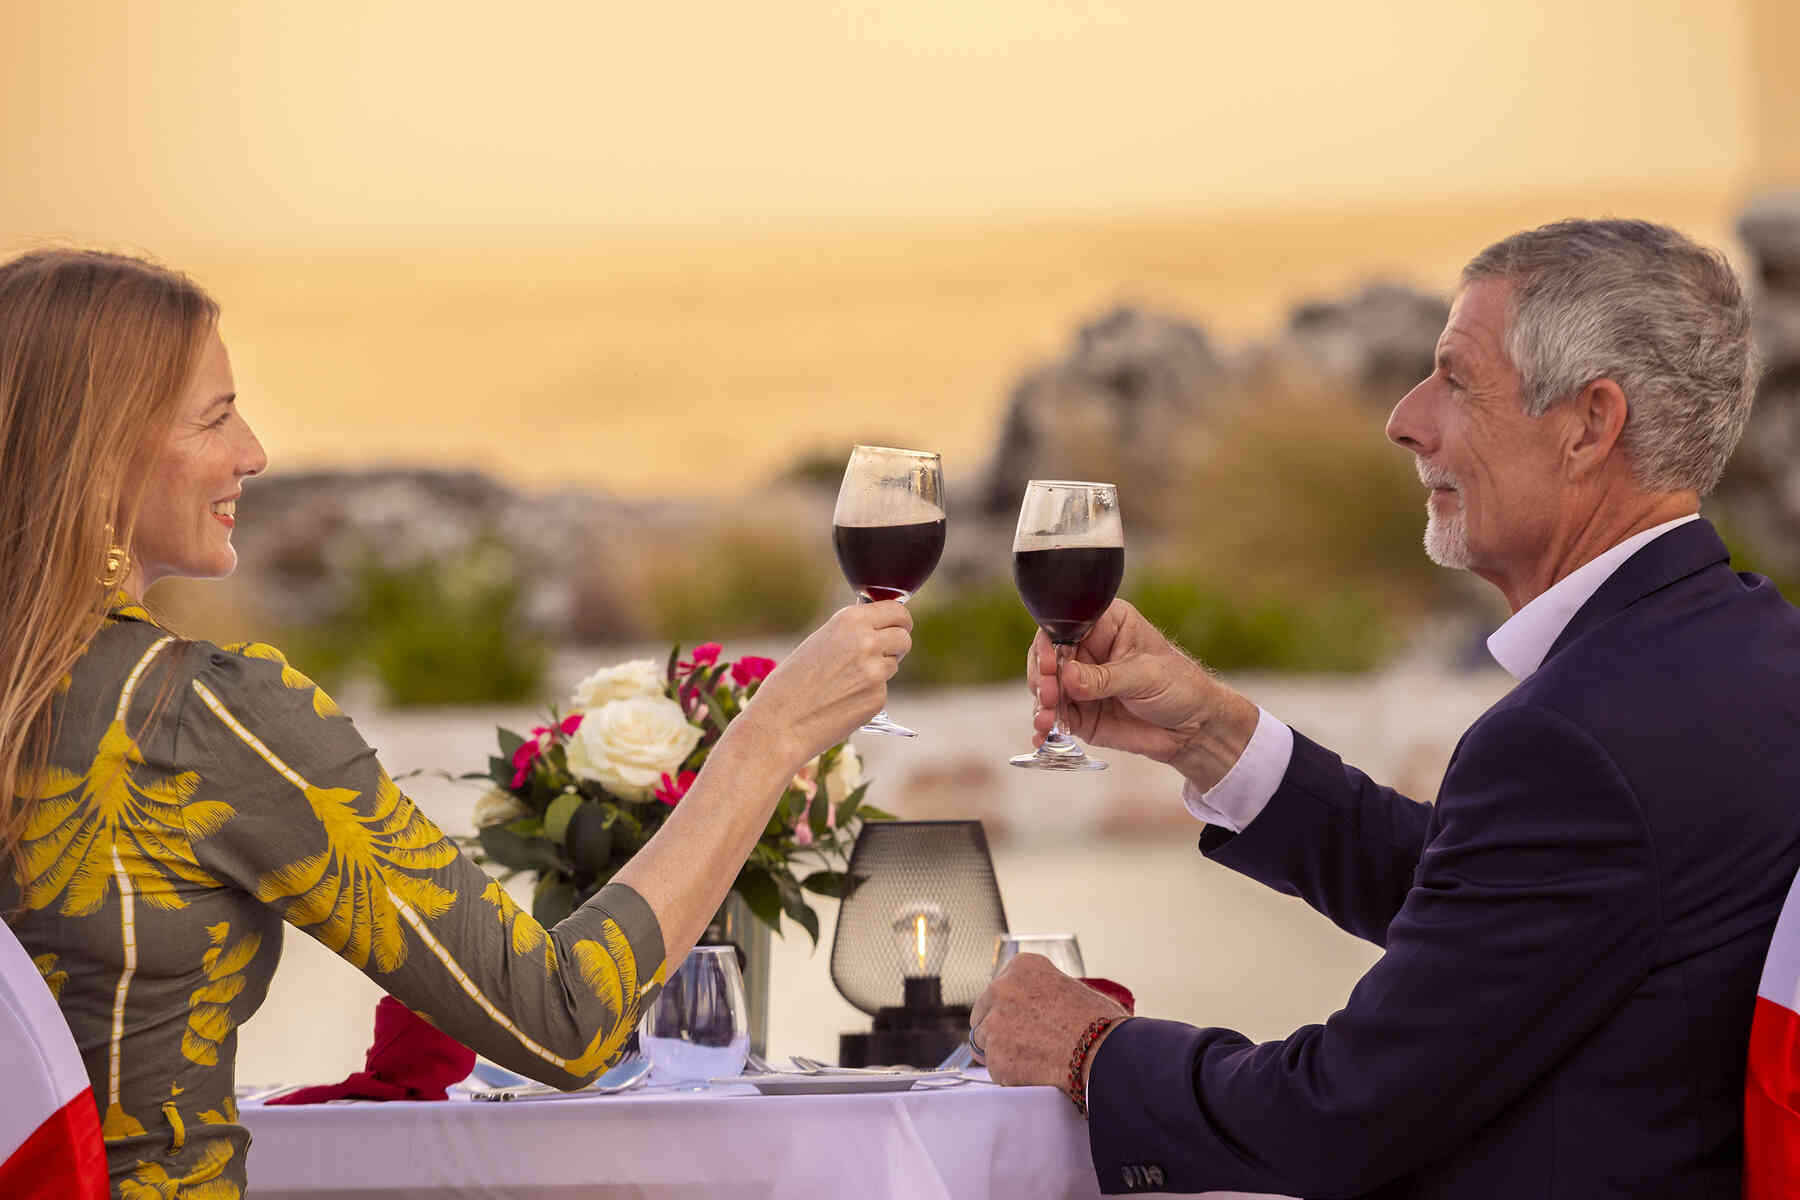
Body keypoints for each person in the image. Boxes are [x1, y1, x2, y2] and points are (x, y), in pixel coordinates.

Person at [0, 248, 913, 1197]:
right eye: (215, 415)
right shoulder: (202, 717)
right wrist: (769, 736)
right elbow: (562, 1017)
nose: (253, 452)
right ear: (100, 450)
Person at [970, 219, 1800, 1197]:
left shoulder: (1572, 742)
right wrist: (1212, 736)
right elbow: (1507, 920)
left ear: (1589, 422)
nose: (1407, 419)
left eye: (1455, 379)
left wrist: (1093, 1053)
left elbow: (1336, 1119)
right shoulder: (1757, 652)